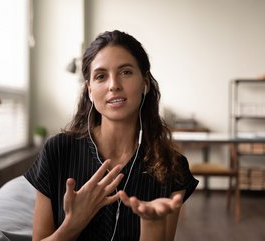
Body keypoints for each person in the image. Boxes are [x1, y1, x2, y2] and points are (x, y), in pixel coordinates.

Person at [24, 30, 198, 241]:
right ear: (89, 90)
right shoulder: (58, 151)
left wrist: (152, 225)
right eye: (100, 76)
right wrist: (72, 224)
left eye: (125, 72)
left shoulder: (172, 166)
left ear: (145, 83)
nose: (113, 85)